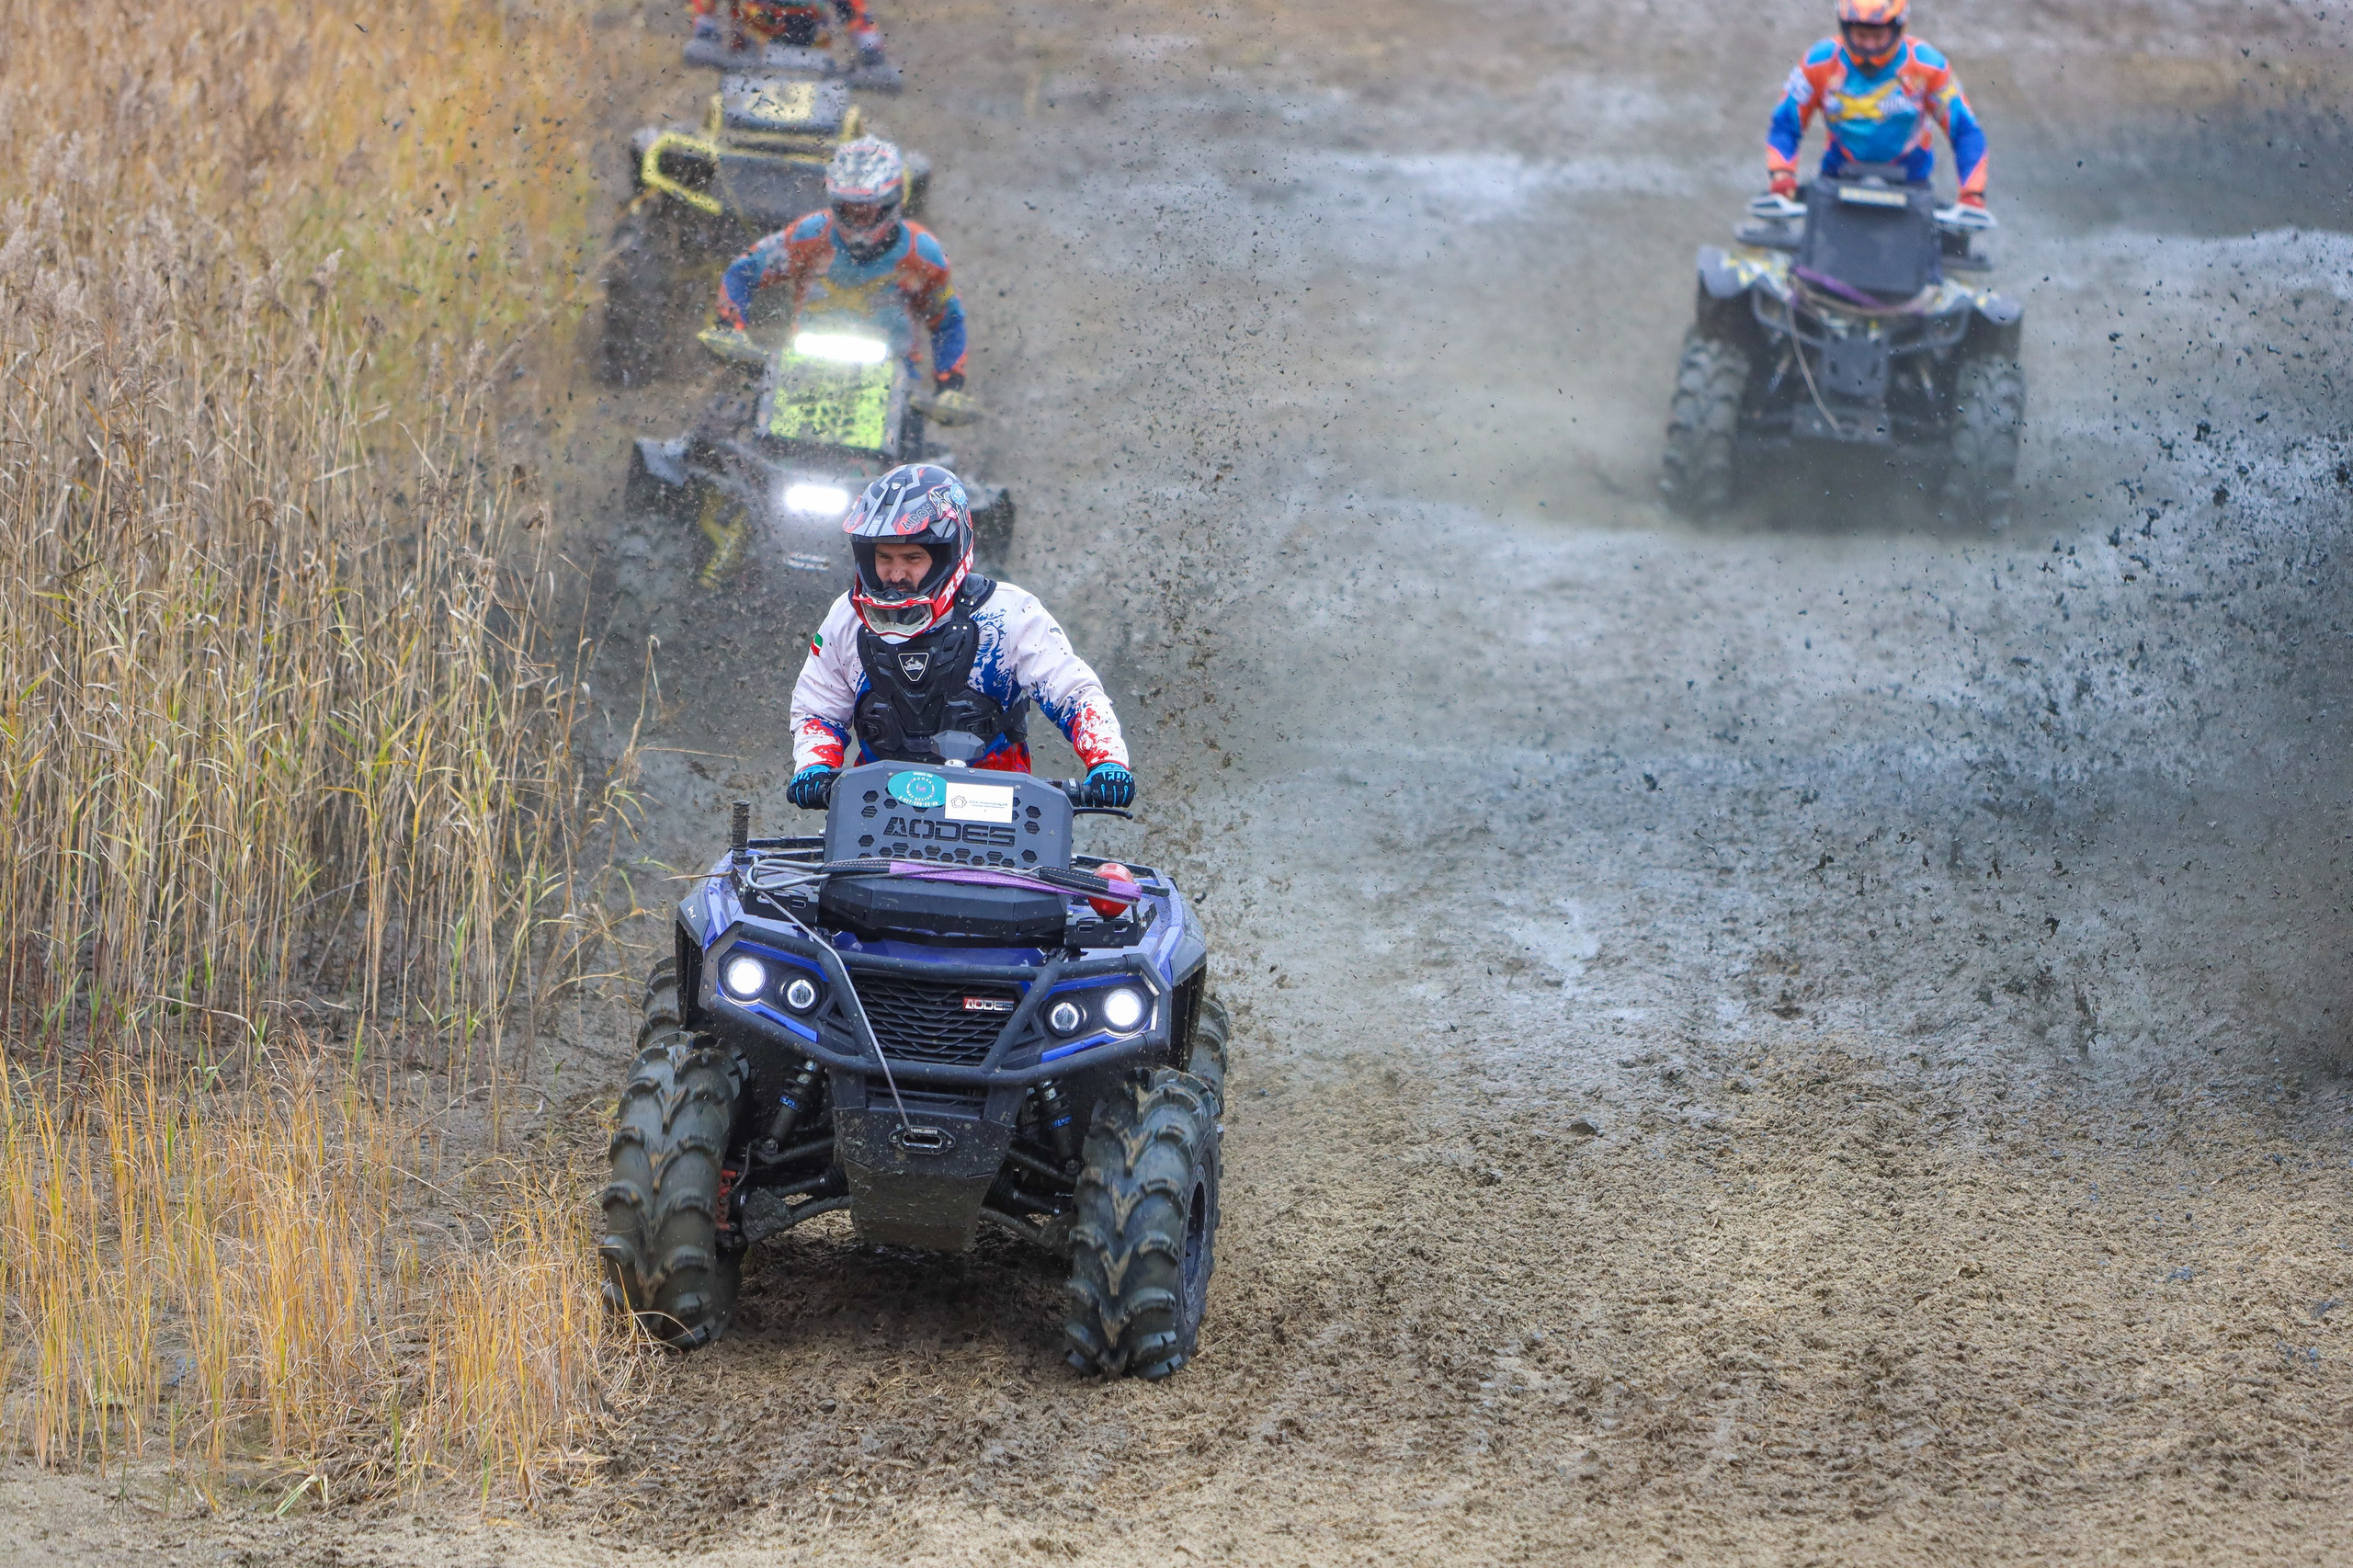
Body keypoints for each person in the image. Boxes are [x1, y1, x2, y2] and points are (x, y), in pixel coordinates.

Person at [785, 464, 1135, 811]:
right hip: (876, 816)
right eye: (884, 557)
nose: (895, 574)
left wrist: (1107, 762)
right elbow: (818, 711)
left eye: (912, 558)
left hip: (999, 819)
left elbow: (1075, 694)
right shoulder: (846, 619)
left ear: (946, 556)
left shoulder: (1008, 614)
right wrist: (815, 766)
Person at [714, 137, 972, 419]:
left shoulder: (922, 254)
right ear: (835, 203)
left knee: (912, 443)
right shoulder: (810, 236)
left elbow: (947, 321)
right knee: (745, 414)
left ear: (892, 203)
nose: (858, 221)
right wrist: (729, 325)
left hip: (894, 382)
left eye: (867, 211)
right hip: (804, 368)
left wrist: (950, 384)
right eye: (850, 210)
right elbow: (743, 270)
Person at [1766, 0, 1988, 209]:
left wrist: (1972, 194)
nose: (1869, 46)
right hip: (1837, 180)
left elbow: (1965, 130)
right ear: (1845, 28)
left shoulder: (1928, 65)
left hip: (1911, 185)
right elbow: (1785, 122)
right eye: (1861, 35)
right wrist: (1782, 173)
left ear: (1898, 28)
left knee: (1955, 242)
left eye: (1878, 36)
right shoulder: (1819, 61)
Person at [690, 0, 890, 72]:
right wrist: (705, 32)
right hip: (749, 60)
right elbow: (704, 7)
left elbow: (858, 15)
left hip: (814, 64)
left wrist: (871, 49)